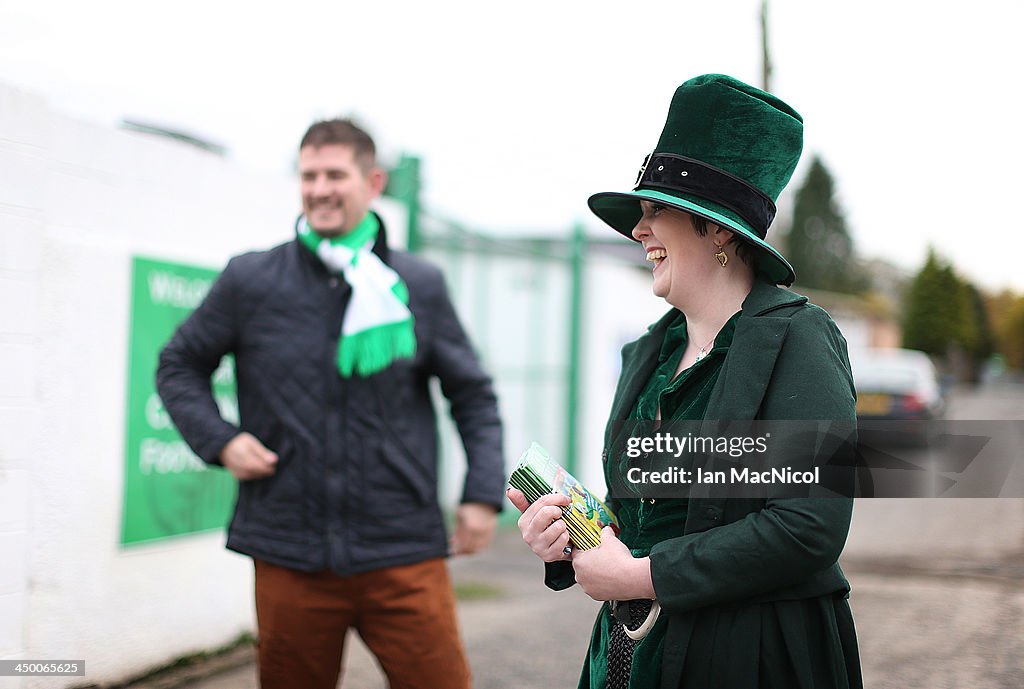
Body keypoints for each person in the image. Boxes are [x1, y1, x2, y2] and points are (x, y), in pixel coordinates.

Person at [508, 74, 862, 689]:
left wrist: (642, 577)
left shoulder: (800, 339)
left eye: (655, 211)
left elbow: (810, 528)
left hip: (751, 658)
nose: (638, 231)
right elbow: (648, 515)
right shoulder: (650, 349)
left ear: (719, 228)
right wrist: (576, 534)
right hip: (629, 657)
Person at [157, 118, 505, 689]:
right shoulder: (251, 279)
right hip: (288, 551)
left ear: (372, 182)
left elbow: (472, 393)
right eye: (308, 175)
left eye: (334, 175)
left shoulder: (417, 283)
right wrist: (220, 440)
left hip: (402, 550)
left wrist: (482, 495)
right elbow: (179, 365)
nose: (319, 189)